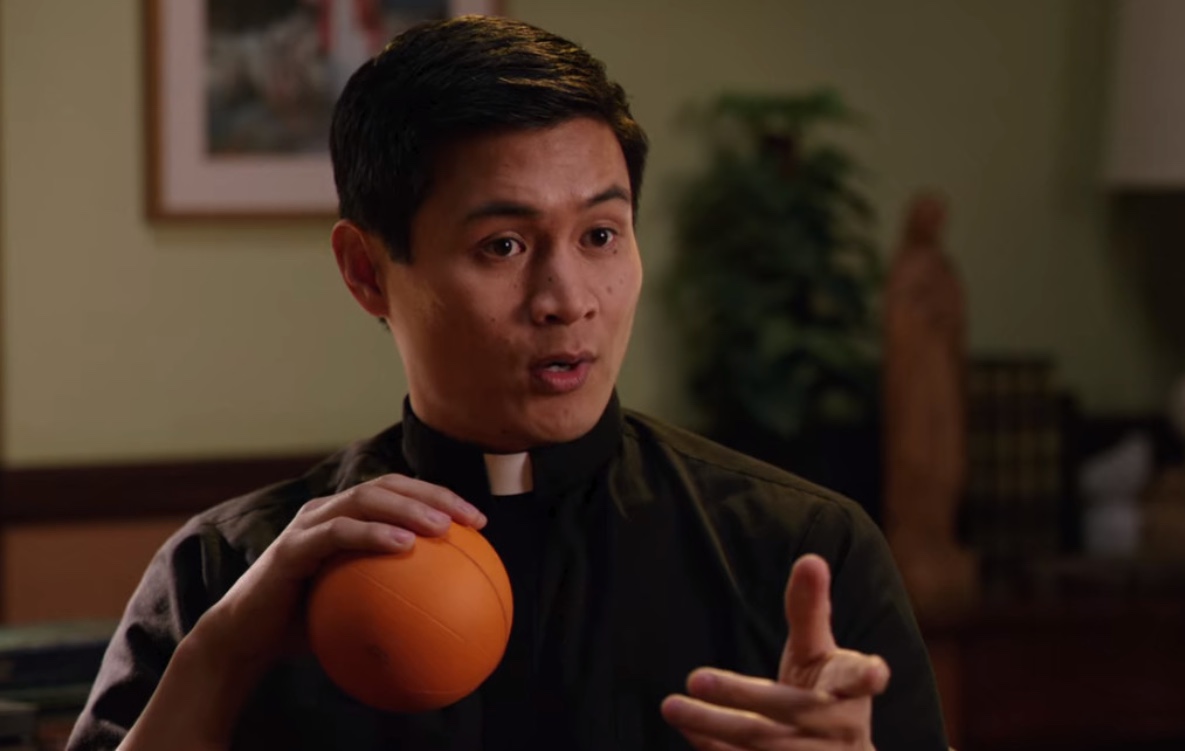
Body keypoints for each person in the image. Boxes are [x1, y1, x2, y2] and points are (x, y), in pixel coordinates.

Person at [68, 15, 946, 751]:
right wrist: (221, 654)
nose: (568, 300)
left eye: (601, 236)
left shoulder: (800, 551)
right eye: (504, 245)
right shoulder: (225, 572)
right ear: (366, 271)